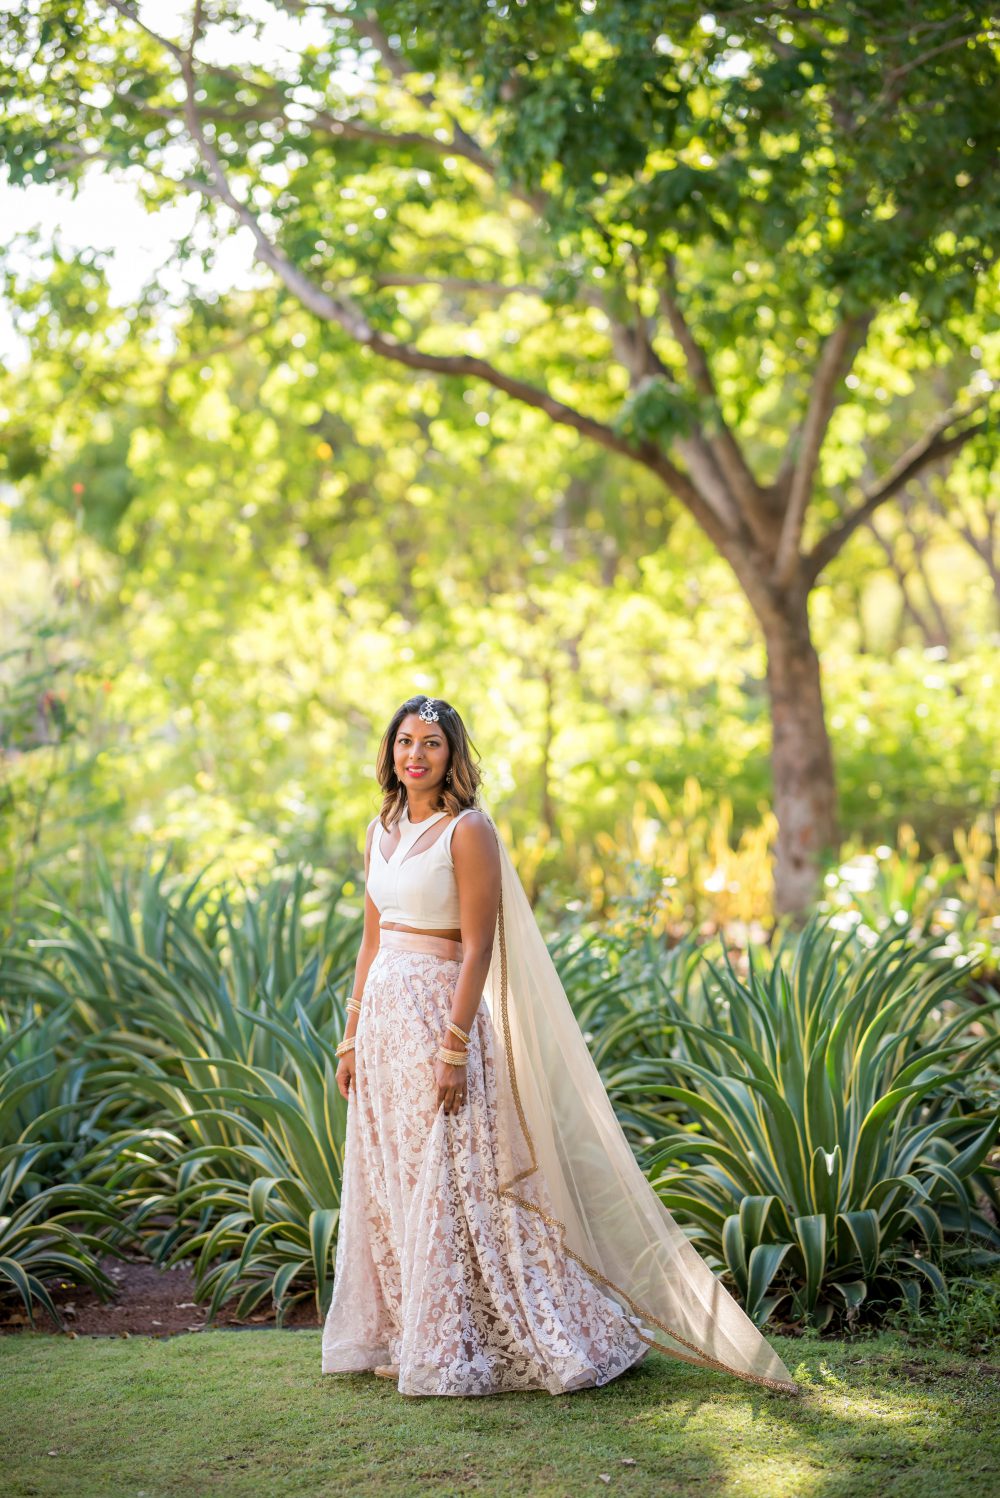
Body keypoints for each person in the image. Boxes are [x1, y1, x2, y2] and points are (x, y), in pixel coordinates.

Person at [321, 695, 798, 1398]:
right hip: (384, 1023)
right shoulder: (380, 827)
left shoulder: (468, 830)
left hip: (438, 1020)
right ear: (390, 752)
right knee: (395, 1177)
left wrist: (454, 1049)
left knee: (453, 1181)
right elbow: (370, 939)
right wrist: (351, 1035)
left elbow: (480, 945)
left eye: (430, 743)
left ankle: (467, 1336)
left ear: (452, 755)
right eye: (403, 742)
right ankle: (410, 1329)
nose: (414, 755)